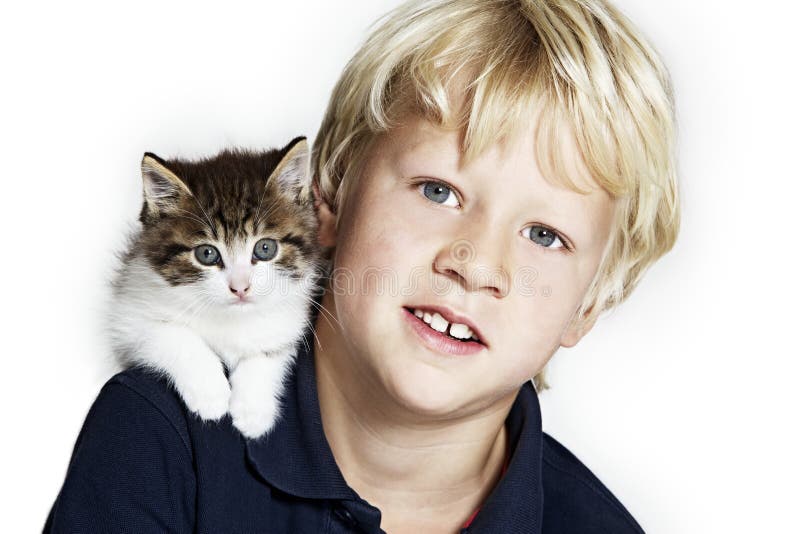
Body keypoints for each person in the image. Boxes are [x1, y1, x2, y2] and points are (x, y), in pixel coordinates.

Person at [44, 0, 679, 532]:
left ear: (590, 304)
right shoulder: (160, 438)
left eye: (544, 234)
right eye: (438, 191)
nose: (477, 264)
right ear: (325, 201)